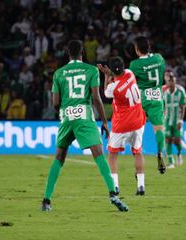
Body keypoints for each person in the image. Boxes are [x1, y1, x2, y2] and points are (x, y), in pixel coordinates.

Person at [41, 40, 128, 212]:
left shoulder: (58, 73)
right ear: (82, 52)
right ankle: (113, 193)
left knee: (59, 157)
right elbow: (96, 98)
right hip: (84, 115)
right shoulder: (91, 70)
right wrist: (103, 121)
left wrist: (65, 113)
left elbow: (55, 102)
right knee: (98, 153)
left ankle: (46, 200)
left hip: (66, 116)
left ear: (67, 53)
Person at [98, 57, 147, 196]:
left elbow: (107, 92)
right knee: (137, 152)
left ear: (112, 70)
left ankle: (115, 186)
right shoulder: (130, 73)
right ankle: (141, 186)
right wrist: (112, 74)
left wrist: (106, 75)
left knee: (112, 154)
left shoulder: (113, 87)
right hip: (138, 121)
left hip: (122, 124)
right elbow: (120, 77)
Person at [129, 36, 167, 174]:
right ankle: (160, 153)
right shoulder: (159, 58)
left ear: (137, 49)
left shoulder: (134, 64)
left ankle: (138, 164)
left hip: (142, 98)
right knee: (159, 129)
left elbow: (132, 82)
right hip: (157, 96)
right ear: (149, 47)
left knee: (138, 130)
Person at [162, 71, 186, 169]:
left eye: (171, 78)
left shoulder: (180, 90)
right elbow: (161, 105)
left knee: (177, 140)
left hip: (177, 119)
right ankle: (171, 162)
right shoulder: (162, 90)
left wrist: (180, 118)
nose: (170, 80)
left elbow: (185, 103)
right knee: (167, 139)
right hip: (166, 120)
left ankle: (180, 154)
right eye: (167, 77)